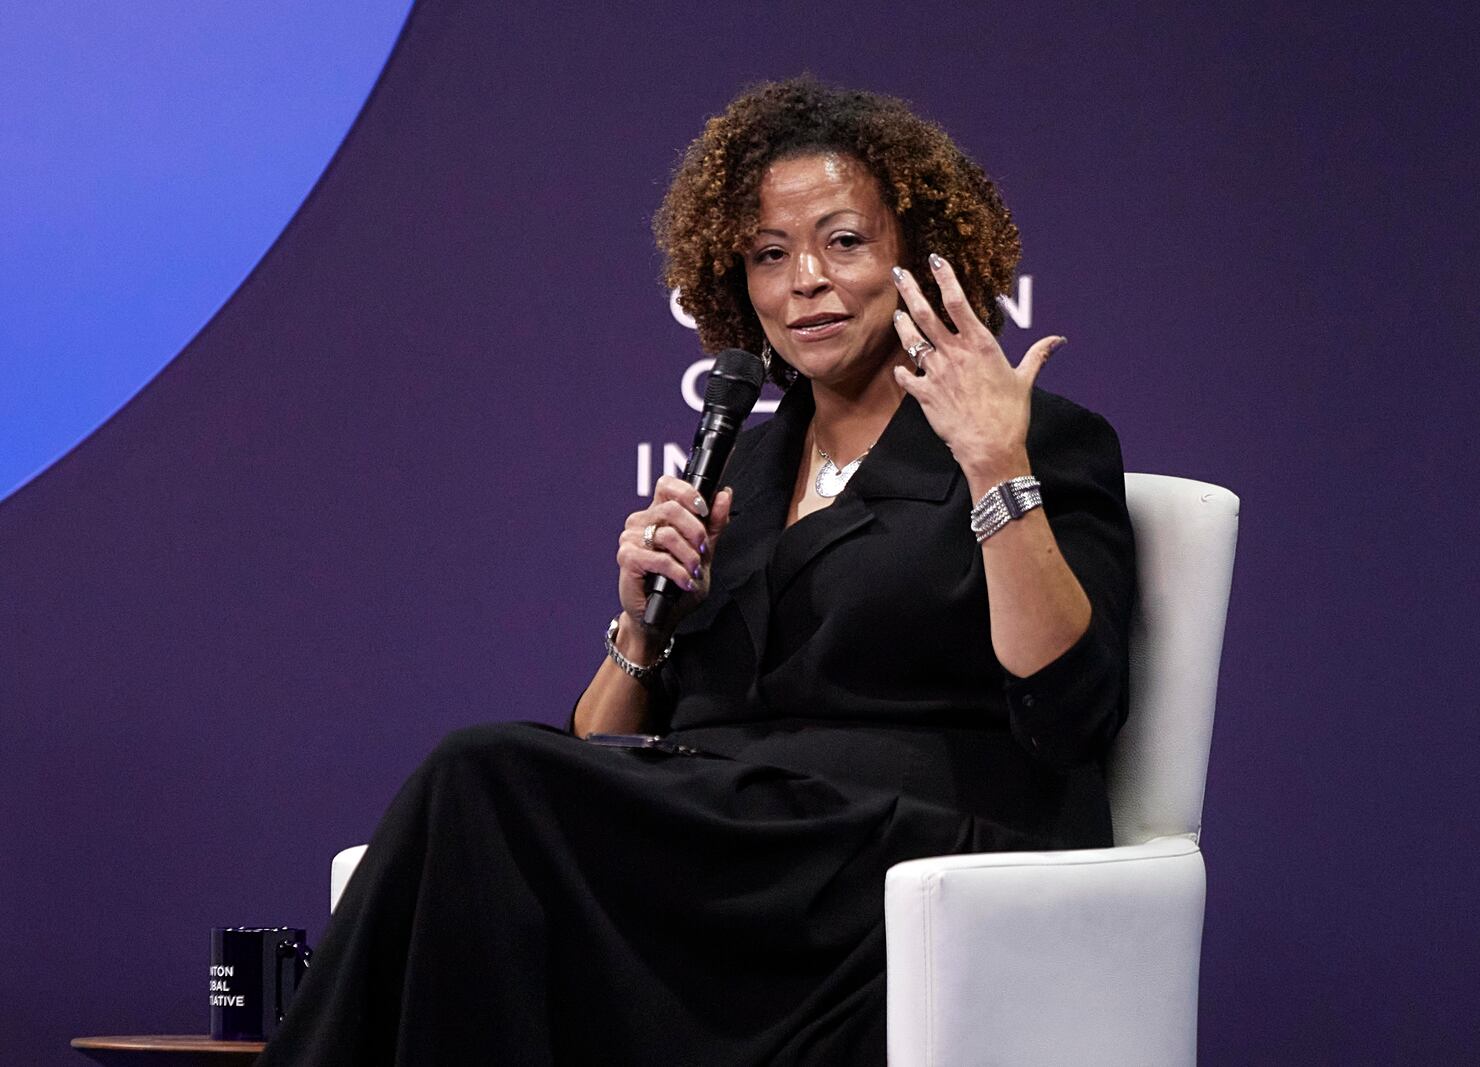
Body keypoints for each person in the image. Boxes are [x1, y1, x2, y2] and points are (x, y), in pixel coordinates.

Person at [260, 77, 1134, 1066]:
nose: (803, 279)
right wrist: (642, 627)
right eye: (769, 254)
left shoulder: (1039, 441)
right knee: (486, 854)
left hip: (898, 869)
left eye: (843, 241)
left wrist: (994, 471)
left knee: (480, 773)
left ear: (921, 256)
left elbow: (1069, 710)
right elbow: (605, 746)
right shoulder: (742, 467)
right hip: (723, 866)